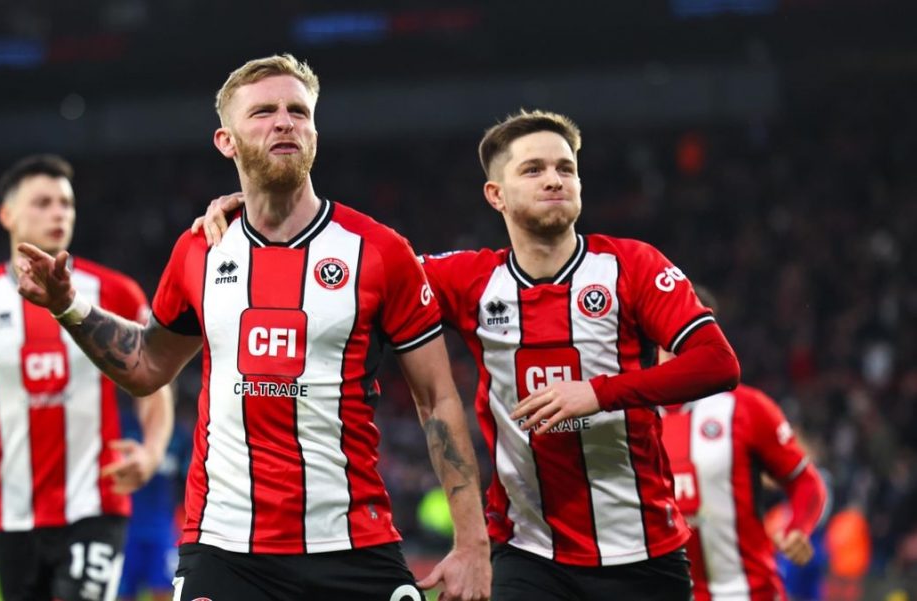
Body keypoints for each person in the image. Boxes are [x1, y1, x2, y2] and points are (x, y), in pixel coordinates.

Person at [195, 109, 742, 600]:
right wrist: (260, 212)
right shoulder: (470, 279)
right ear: (496, 195)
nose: (554, 178)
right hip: (528, 553)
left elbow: (717, 363)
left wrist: (597, 392)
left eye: (565, 168)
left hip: (645, 551)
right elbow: (366, 262)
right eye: (532, 169)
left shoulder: (632, 266)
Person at [16, 55, 491, 601]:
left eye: (298, 111)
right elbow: (147, 366)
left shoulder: (379, 252)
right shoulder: (200, 249)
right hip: (224, 550)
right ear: (227, 141)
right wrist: (68, 305)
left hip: (352, 544)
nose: (284, 121)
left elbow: (437, 399)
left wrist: (472, 545)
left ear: (315, 131)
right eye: (263, 112)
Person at [0, 154, 174, 601]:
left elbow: (154, 384)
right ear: (7, 214)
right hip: (14, 515)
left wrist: (152, 452)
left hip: (96, 505)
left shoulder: (114, 292)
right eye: (42, 202)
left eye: (66, 203)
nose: (59, 212)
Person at [659, 287, 828, 601]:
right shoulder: (631, 420)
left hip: (749, 593)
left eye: (691, 331)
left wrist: (799, 527)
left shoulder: (747, 409)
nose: (676, 342)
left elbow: (804, 481)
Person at [117, 403, 191, 601]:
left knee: (164, 591)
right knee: (123, 593)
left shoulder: (179, 435)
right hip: (126, 528)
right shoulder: (121, 426)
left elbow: (189, 483)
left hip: (163, 529)